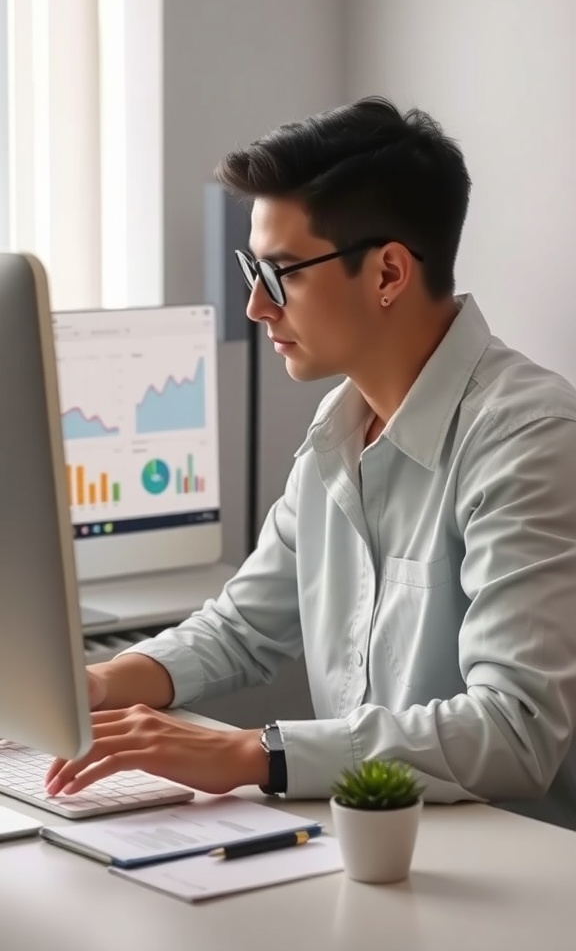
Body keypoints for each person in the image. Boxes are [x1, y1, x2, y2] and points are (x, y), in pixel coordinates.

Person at [46, 97, 576, 829]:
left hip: (511, 871)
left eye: (281, 273)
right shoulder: (339, 426)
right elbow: (242, 627)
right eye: (252, 269)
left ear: (388, 272)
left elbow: (514, 731)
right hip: (373, 851)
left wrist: (253, 754)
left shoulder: (529, 437)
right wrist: (101, 685)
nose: (257, 308)